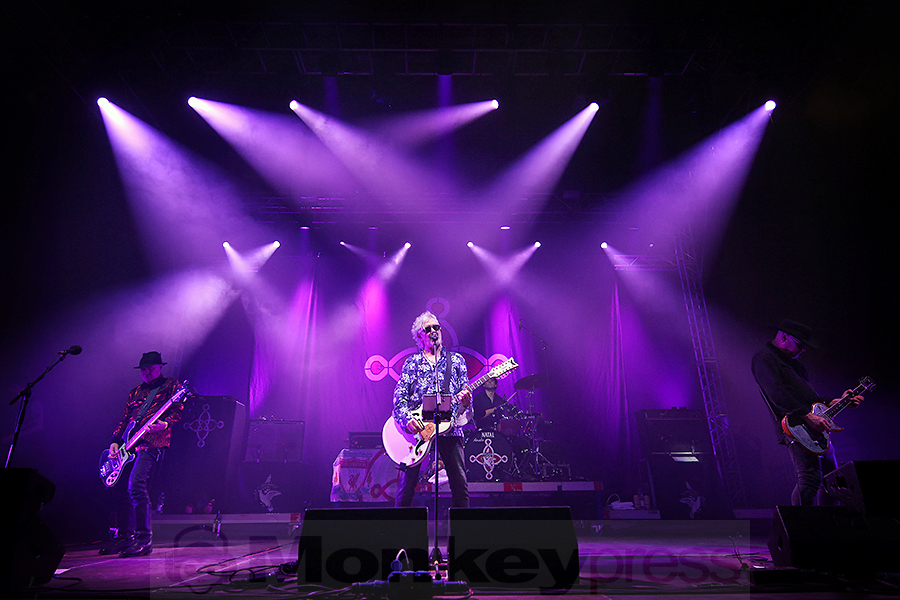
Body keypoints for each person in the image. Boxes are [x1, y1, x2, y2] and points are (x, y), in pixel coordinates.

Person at [751, 320, 862, 506]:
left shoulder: (795, 364)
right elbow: (776, 393)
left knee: (832, 479)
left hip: (812, 426)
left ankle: (829, 520)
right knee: (810, 478)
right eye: (800, 343)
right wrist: (807, 415)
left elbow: (810, 397)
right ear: (784, 337)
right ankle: (802, 522)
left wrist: (834, 402)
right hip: (795, 426)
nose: (803, 349)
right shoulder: (764, 358)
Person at [100, 352, 185, 557]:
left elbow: (178, 410)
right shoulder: (135, 392)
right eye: (143, 370)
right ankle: (124, 538)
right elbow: (125, 419)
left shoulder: (171, 385)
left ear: (160, 367)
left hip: (151, 443)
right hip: (128, 445)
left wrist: (165, 424)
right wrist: (115, 441)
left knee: (136, 485)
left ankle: (144, 540)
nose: (146, 373)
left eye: (150, 369)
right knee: (120, 490)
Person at [393, 311, 473, 508]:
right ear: (419, 336)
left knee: (460, 485)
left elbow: (464, 402)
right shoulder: (412, 363)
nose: (433, 331)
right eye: (427, 329)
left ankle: (462, 527)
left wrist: (465, 402)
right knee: (406, 489)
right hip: (418, 432)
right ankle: (399, 527)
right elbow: (399, 399)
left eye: (436, 327)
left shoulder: (456, 361)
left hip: (450, 430)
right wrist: (408, 420)